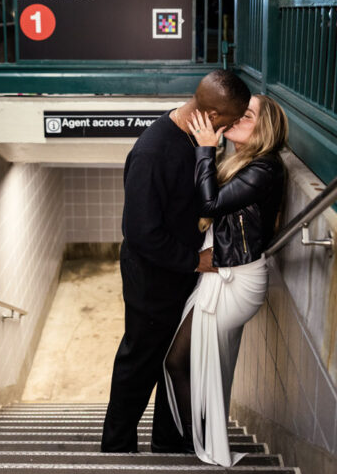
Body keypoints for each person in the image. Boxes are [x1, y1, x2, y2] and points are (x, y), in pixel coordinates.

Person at [101, 69, 251, 453]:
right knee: (140, 361)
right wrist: (195, 261)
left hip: (181, 272)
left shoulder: (197, 137)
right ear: (213, 116)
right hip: (152, 279)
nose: (233, 128)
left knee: (175, 361)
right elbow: (140, 233)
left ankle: (168, 443)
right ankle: (116, 448)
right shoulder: (154, 151)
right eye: (232, 121)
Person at [164, 94, 288, 466]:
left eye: (246, 116)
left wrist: (205, 149)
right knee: (189, 361)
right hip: (224, 273)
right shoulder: (243, 161)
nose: (236, 119)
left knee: (181, 361)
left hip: (236, 281)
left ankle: (199, 440)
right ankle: (198, 437)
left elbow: (209, 205)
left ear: (264, 127)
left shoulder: (264, 168)